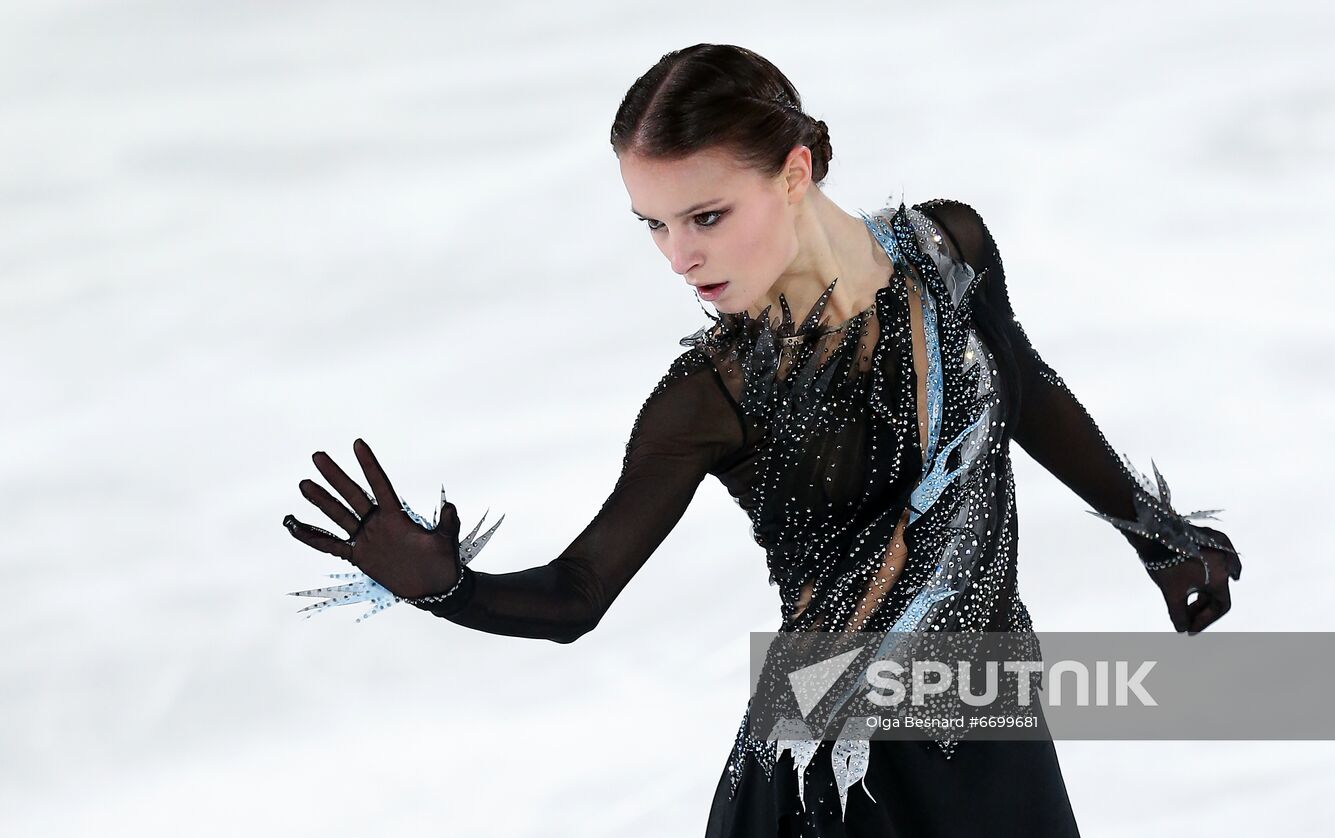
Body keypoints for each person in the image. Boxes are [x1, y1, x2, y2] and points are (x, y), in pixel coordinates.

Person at [283, 43, 1242, 838]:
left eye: (706, 217)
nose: (681, 256)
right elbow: (576, 597)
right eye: (652, 225)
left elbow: (1022, 393)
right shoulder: (711, 394)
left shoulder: (951, 250)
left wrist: (1157, 532)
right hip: (836, 768)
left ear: (796, 170)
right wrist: (445, 587)